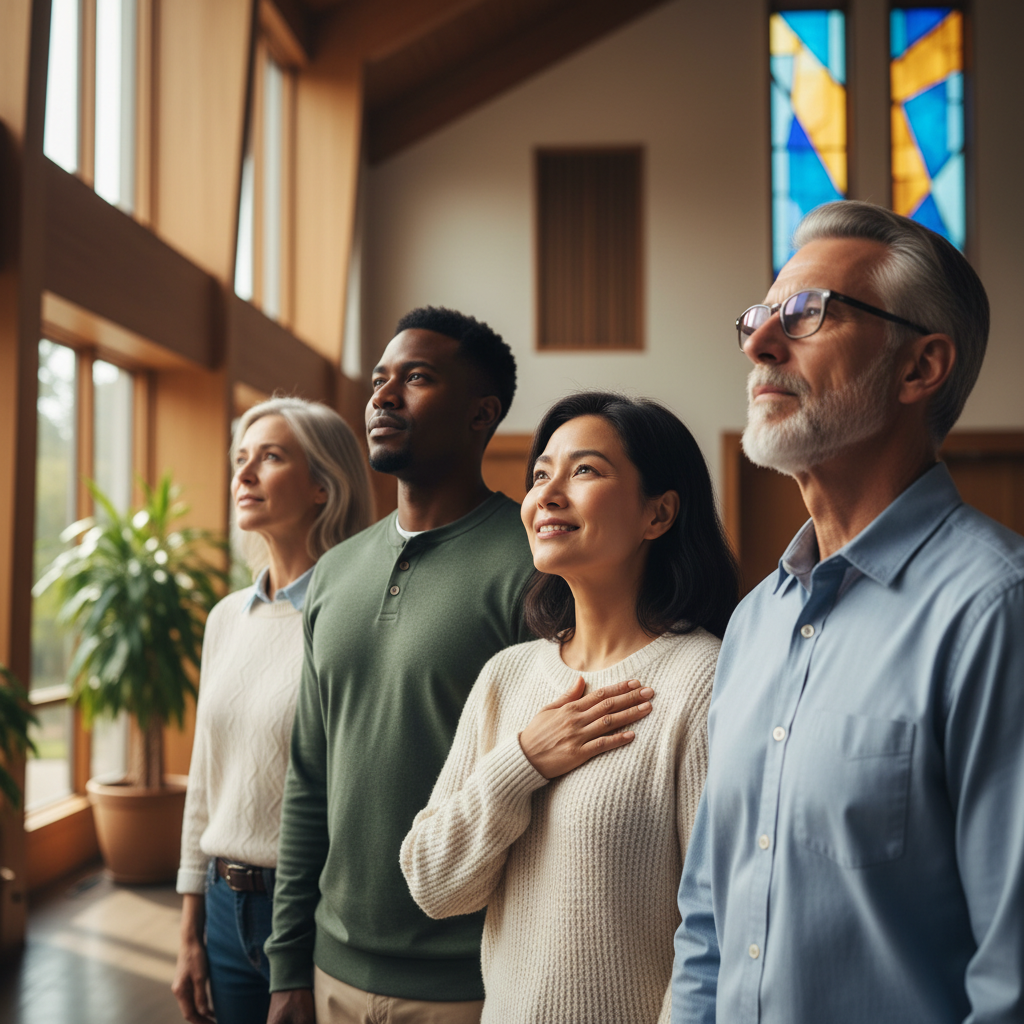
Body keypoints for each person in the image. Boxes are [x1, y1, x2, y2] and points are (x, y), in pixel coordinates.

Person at [672, 200, 1024, 1024]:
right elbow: (708, 927)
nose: (760, 343)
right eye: (758, 317)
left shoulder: (995, 613)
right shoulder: (755, 621)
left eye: (806, 314)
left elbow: (1013, 982)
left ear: (918, 368)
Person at [401, 392, 739, 1024]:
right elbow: (434, 886)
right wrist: (520, 762)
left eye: (584, 470)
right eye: (539, 475)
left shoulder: (703, 679)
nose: (547, 495)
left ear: (658, 514)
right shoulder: (508, 676)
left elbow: (721, 923)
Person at [265, 308, 536, 1024]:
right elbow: (309, 775)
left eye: (416, 379)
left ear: (482, 414)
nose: (383, 396)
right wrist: (287, 963)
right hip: (332, 968)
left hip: (472, 978)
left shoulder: (535, 567)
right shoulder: (335, 571)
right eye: (380, 379)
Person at [172, 397, 373, 1024]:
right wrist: (189, 932)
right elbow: (205, 779)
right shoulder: (227, 617)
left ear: (322, 484)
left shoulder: (358, 613)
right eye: (240, 459)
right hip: (221, 910)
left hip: (315, 910)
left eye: (271, 457)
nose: (245, 474)